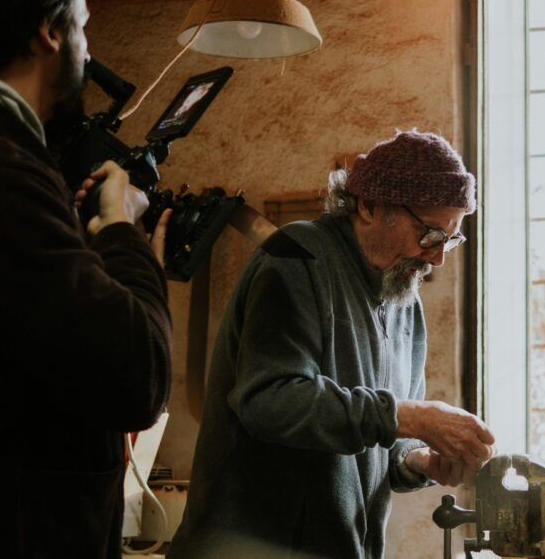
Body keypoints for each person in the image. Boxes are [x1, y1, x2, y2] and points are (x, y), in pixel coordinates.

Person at [167, 129, 496, 559]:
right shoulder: (296, 259)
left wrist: (420, 461)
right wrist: (410, 416)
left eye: (450, 239)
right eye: (430, 234)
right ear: (369, 205)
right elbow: (269, 401)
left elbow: (386, 437)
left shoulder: (404, 300)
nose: (437, 258)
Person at [0, 0, 173, 558]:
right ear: (49, 32)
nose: (89, 45)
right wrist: (120, 232)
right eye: (83, 25)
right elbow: (139, 376)